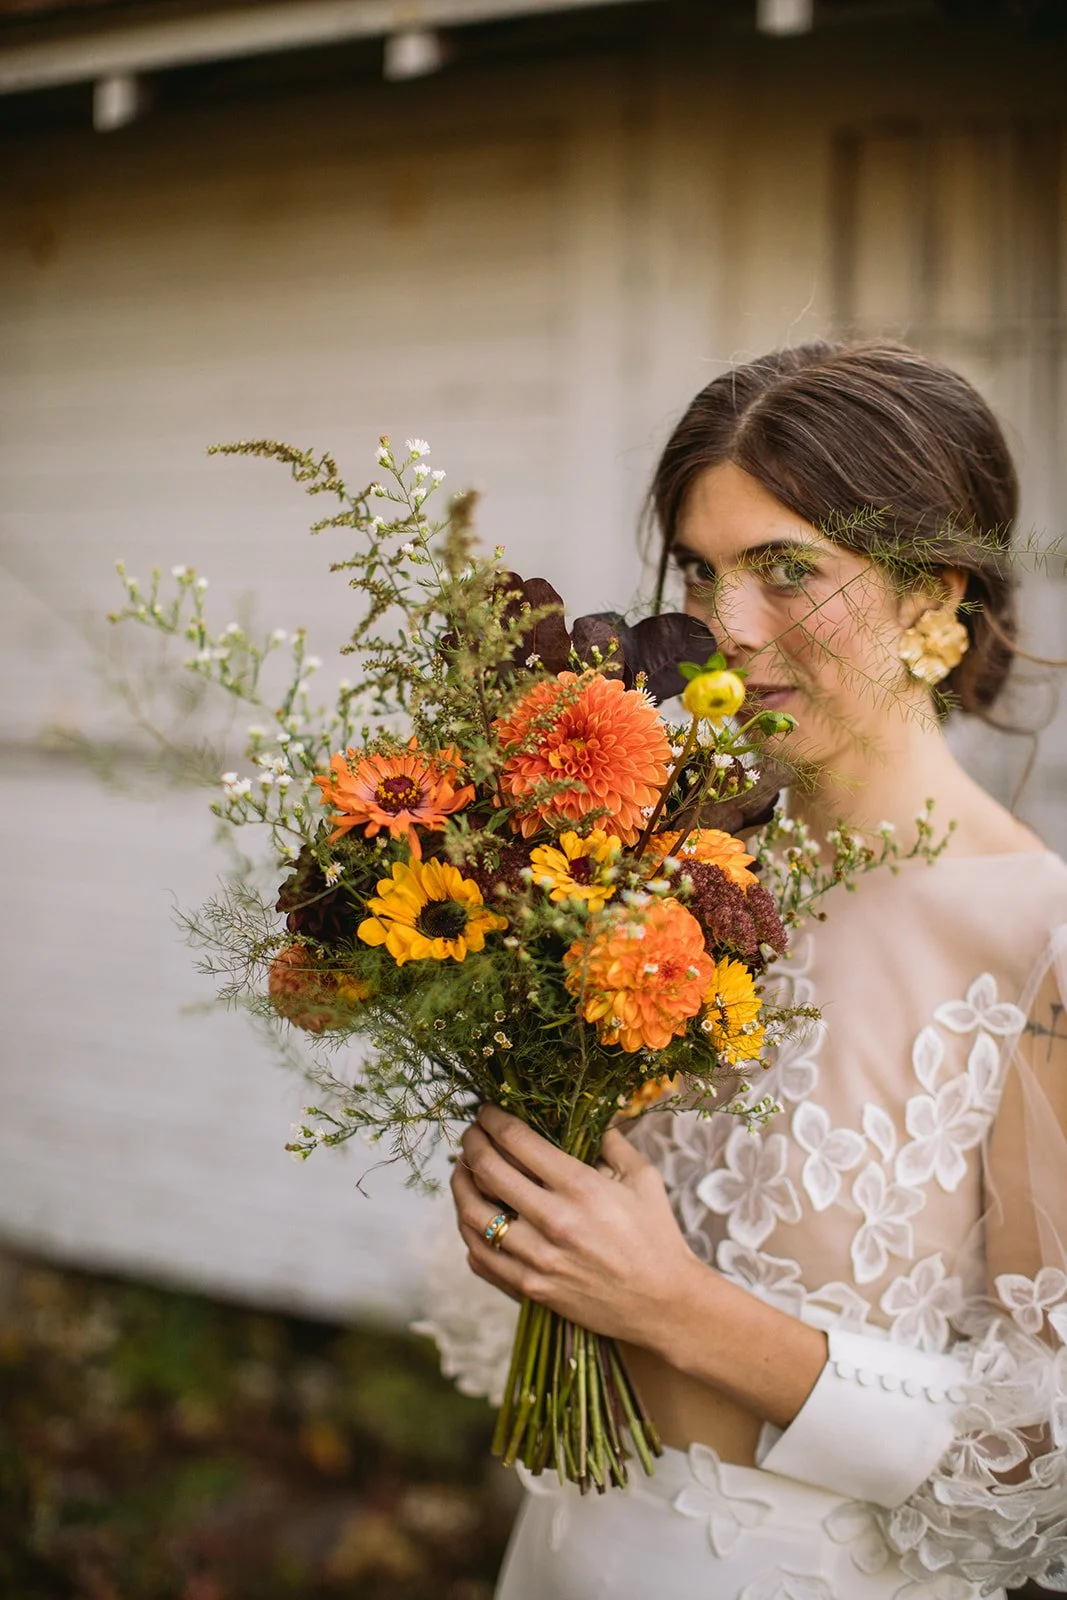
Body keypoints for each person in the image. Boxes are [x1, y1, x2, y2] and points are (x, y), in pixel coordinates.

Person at [423, 342, 1067, 1599]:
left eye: (786, 571)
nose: (724, 630)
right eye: (700, 571)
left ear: (934, 597)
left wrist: (671, 1304)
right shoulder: (637, 864)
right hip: (561, 1553)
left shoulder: (1034, 940)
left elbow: (1040, 1451)